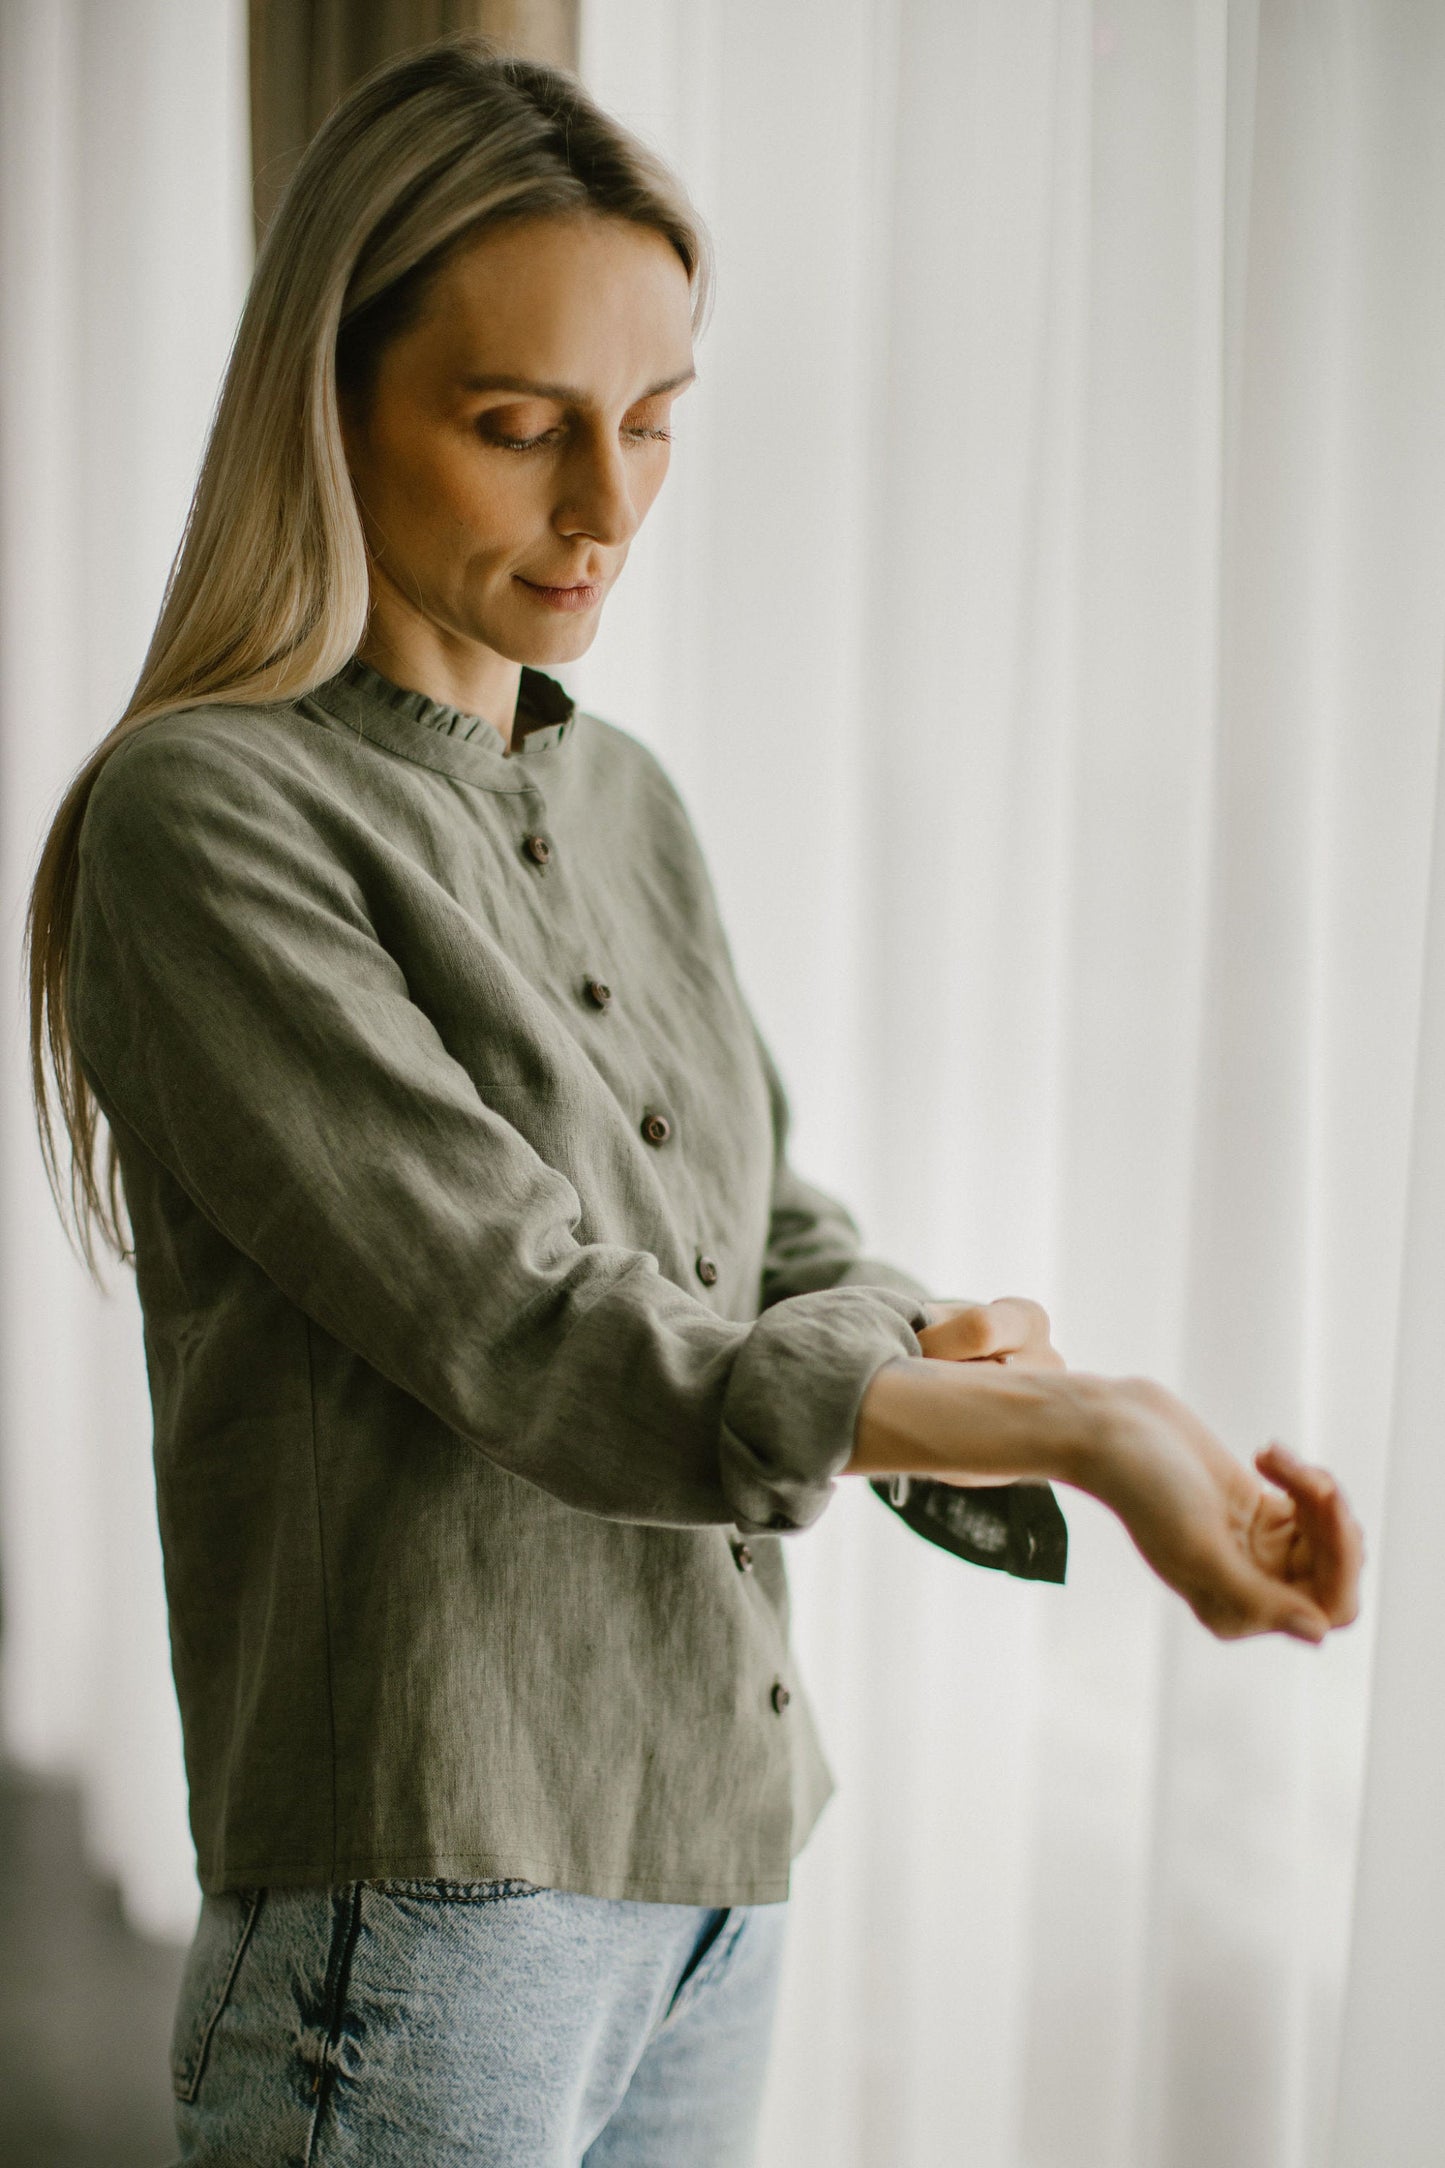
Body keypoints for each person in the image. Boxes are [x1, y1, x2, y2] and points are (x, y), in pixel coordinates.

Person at [24, 33, 1363, 2168]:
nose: (609, 504)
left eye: (652, 424)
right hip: (430, 1890)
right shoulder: (208, 820)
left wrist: (1029, 1367)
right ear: (330, 403)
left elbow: (770, 1231)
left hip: (714, 1859)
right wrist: (1078, 1439)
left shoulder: (620, 794)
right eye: (518, 426)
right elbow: (532, 1324)